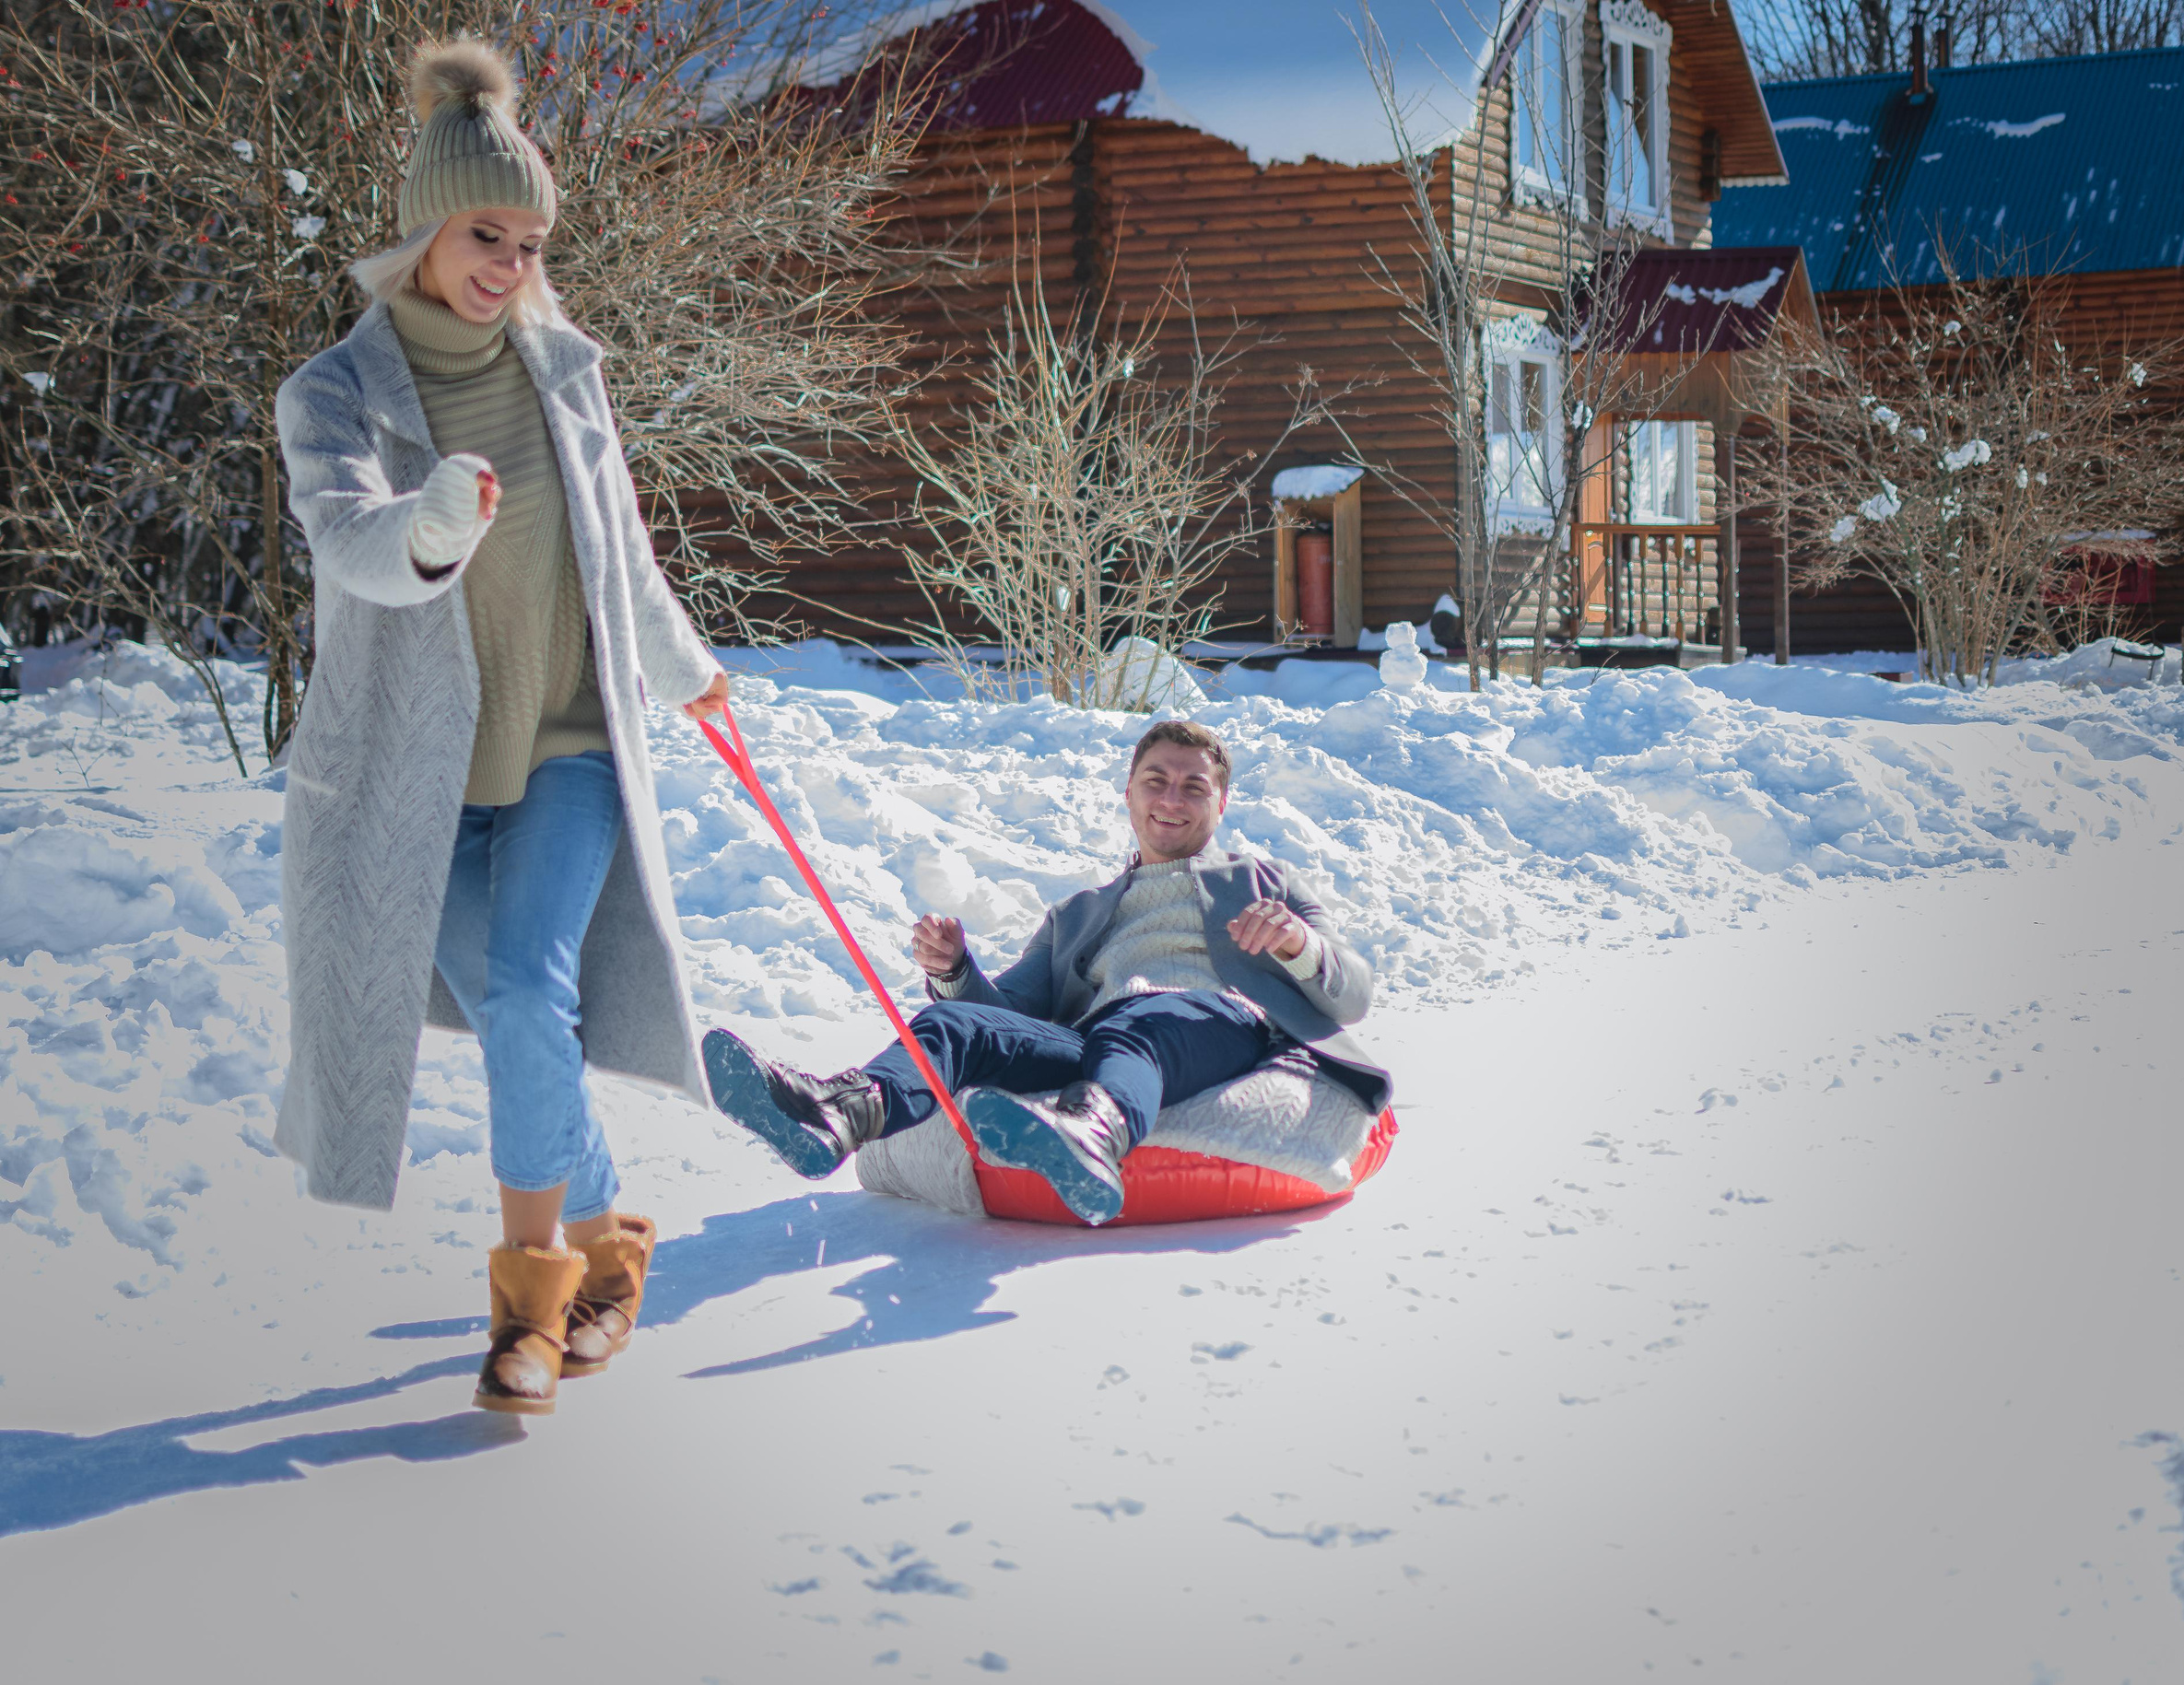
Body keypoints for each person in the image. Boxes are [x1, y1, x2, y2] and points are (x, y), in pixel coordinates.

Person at [273, 40, 728, 1414]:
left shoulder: (564, 374)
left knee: (531, 993)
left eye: (529, 245)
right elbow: (349, 539)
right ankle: (614, 1245)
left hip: (565, 748)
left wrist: (687, 670)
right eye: (487, 235)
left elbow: (620, 554)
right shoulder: (333, 395)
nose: (510, 265)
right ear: (425, 226)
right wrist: (426, 527)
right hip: (411, 781)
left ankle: (528, 1316)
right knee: (522, 1026)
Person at [703, 720, 1392, 1224]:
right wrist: (956, 971)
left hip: (1213, 1022)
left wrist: (1298, 945)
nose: (1172, 799)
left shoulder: (1266, 882)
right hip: (1100, 1040)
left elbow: (1354, 992)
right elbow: (1006, 1011)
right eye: (1156, 781)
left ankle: (1092, 1134)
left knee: (1139, 1022)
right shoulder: (1078, 914)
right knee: (952, 1023)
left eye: (1194, 787)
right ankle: (840, 1113)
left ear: (1221, 803)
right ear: (1129, 793)